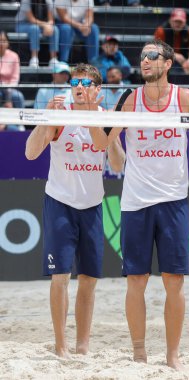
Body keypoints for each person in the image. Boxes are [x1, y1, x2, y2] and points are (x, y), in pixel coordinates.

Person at [90, 39, 189, 370]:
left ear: (168, 63)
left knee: (174, 281)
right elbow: (100, 143)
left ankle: (172, 355)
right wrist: (91, 113)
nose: (145, 60)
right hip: (136, 202)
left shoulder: (184, 98)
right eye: (142, 57)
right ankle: (139, 351)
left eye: (152, 55)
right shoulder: (130, 100)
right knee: (136, 281)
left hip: (173, 201)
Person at [25, 63, 125, 358]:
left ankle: (82, 346)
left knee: (89, 280)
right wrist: (45, 119)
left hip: (92, 205)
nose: (78, 87)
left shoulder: (106, 118)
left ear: (97, 90)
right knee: (60, 277)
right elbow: (30, 154)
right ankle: (61, 346)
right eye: (75, 83)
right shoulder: (60, 114)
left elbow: (118, 166)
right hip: (60, 203)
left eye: (85, 83)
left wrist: (111, 137)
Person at [154, 8, 189, 100]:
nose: (178, 24)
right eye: (176, 21)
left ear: (185, 22)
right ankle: (159, 89)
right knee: (157, 61)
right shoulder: (161, 30)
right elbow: (156, 48)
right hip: (166, 57)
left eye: (180, 22)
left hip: (185, 58)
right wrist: (175, 55)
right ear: (170, 21)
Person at [15, 0, 59, 67]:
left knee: (55, 29)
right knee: (34, 29)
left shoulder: (48, 1)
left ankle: (53, 59)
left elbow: (51, 19)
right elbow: (31, 19)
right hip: (23, 24)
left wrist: (49, 25)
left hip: (41, 24)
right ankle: (34, 58)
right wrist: (45, 25)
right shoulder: (26, 1)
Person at [0, 31, 25, 131]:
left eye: (3, 41)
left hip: (10, 87)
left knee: (18, 96)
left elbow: (15, 78)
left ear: (8, 43)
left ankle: (20, 123)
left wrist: (8, 95)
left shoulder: (14, 56)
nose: (1, 43)